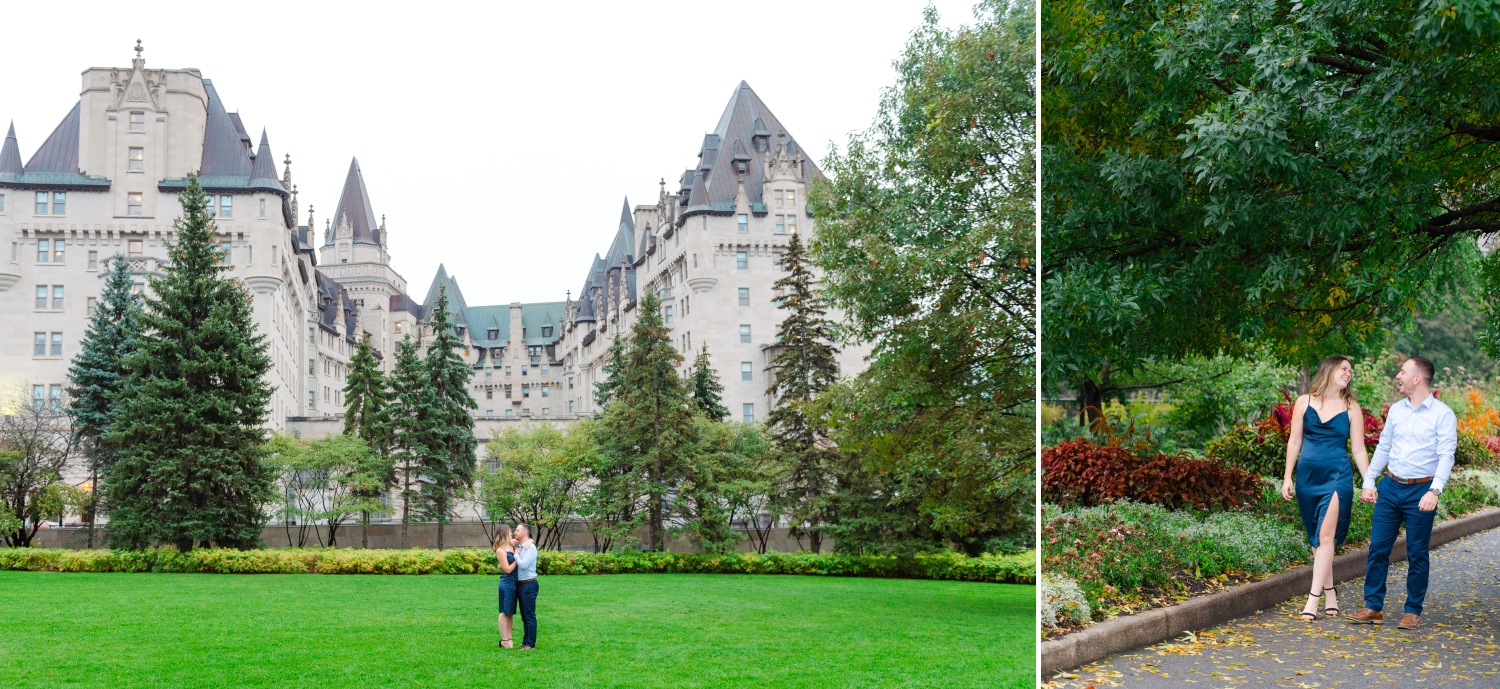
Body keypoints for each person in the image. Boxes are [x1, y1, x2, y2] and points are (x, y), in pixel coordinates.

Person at [1348, 356, 1457, 631]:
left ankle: (1412, 611)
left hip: (1421, 490)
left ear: (1417, 378)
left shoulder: (1442, 414)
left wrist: (1435, 490)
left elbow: (1446, 455)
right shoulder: (1396, 410)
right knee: (1378, 549)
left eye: (1403, 372)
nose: (1398, 376)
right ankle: (1373, 607)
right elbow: (1384, 448)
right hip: (1390, 487)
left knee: (1417, 553)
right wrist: (1369, 481)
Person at [1282, 355, 1369, 621]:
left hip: (1337, 476)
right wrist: (1287, 477)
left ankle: (1313, 599)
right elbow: (1294, 442)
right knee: (1317, 540)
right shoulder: (1303, 402)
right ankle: (1331, 591)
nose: (1348, 373)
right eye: (1344, 368)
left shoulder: (1351, 407)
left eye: (1351, 371)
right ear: (1329, 369)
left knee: (1326, 536)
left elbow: (1358, 448)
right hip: (1307, 479)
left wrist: (1369, 480)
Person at [514, 524, 539, 650]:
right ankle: (525, 641)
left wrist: (516, 555)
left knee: (529, 615)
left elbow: (523, 565)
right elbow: (506, 540)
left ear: (524, 533)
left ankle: (530, 644)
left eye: (517, 530)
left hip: (529, 584)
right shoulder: (520, 545)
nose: (515, 532)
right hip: (521, 585)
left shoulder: (531, 548)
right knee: (524, 615)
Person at [493, 525, 518, 649]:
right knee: (504, 611)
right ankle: (504, 640)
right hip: (507, 582)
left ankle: (509, 638)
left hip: (514, 583)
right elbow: (507, 569)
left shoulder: (512, 544)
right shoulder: (500, 550)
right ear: (504, 533)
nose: (512, 533)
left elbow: (528, 539)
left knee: (510, 612)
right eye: (510, 531)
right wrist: (517, 558)